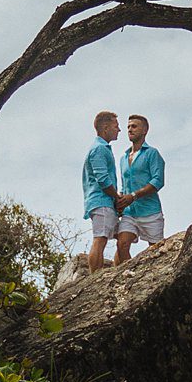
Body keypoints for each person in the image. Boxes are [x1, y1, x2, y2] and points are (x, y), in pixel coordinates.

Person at [113, 113, 167, 263]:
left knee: (157, 253)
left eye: (134, 126)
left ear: (144, 130)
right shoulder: (123, 158)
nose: (130, 129)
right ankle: (129, 275)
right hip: (129, 212)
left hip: (150, 211)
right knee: (122, 244)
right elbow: (124, 185)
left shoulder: (152, 153)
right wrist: (121, 200)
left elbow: (158, 181)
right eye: (128, 127)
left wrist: (134, 196)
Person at [82, 111, 123, 270]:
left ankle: (118, 271)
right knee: (100, 239)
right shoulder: (99, 149)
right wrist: (117, 197)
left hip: (106, 202)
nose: (119, 130)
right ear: (106, 128)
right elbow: (103, 179)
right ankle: (95, 278)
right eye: (116, 126)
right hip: (101, 201)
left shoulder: (103, 148)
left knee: (122, 237)